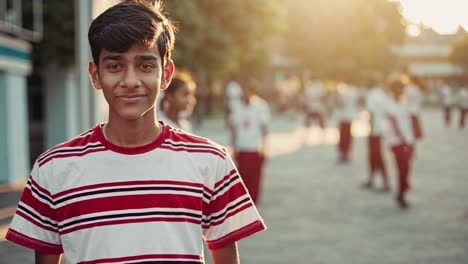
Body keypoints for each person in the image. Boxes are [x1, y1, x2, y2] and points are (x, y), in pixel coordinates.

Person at [5, 2, 266, 263]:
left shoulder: (211, 160)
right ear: (95, 75)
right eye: (115, 66)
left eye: (145, 66)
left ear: (166, 74)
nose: (130, 81)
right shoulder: (53, 168)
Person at [229, 79, 271, 204]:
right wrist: (233, 147)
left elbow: (265, 129)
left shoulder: (261, 105)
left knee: (255, 181)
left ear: (253, 92)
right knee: (242, 180)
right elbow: (234, 128)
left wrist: (266, 147)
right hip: (242, 148)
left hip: (255, 148)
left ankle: (254, 204)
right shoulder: (236, 106)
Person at [386, 76, 415, 209]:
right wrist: (403, 138)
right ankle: (401, 193)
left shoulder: (404, 101)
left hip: (408, 140)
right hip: (397, 141)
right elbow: (394, 122)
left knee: (406, 168)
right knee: (402, 168)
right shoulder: (390, 103)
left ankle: (403, 189)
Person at [361, 79, 390, 191]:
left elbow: (371, 112)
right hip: (382, 128)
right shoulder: (382, 94)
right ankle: (373, 179)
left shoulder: (372, 95)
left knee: (375, 156)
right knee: (376, 156)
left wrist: (371, 128)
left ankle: (383, 181)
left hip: (375, 130)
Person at [336, 83, 358, 163]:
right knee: (348, 137)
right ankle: (347, 155)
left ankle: (343, 155)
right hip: (349, 117)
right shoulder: (354, 91)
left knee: (343, 137)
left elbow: (340, 104)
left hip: (343, 117)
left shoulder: (342, 90)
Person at [405, 76, 424, 141]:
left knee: (413, 124)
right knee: (415, 123)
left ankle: (415, 134)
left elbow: (406, 98)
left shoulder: (410, 88)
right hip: (416, 108)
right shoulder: (417, 88)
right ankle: (418, 134)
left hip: (411, 108)